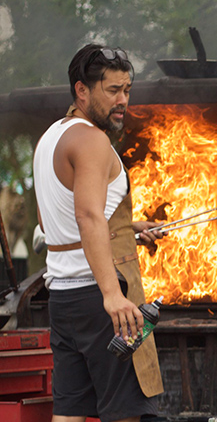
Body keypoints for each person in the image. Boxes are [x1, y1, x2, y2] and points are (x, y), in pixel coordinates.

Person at [33, 44, 165, 422]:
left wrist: (127, 228)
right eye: (112, 91)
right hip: (99, 297)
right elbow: (88, 216)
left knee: (70, 412)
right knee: (124, 412)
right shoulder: (92, 139)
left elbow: (50, 221)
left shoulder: (50, 139)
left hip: (63, 298)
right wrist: (112, 295)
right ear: (82, 90)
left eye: (126, 90)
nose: (122, 101)